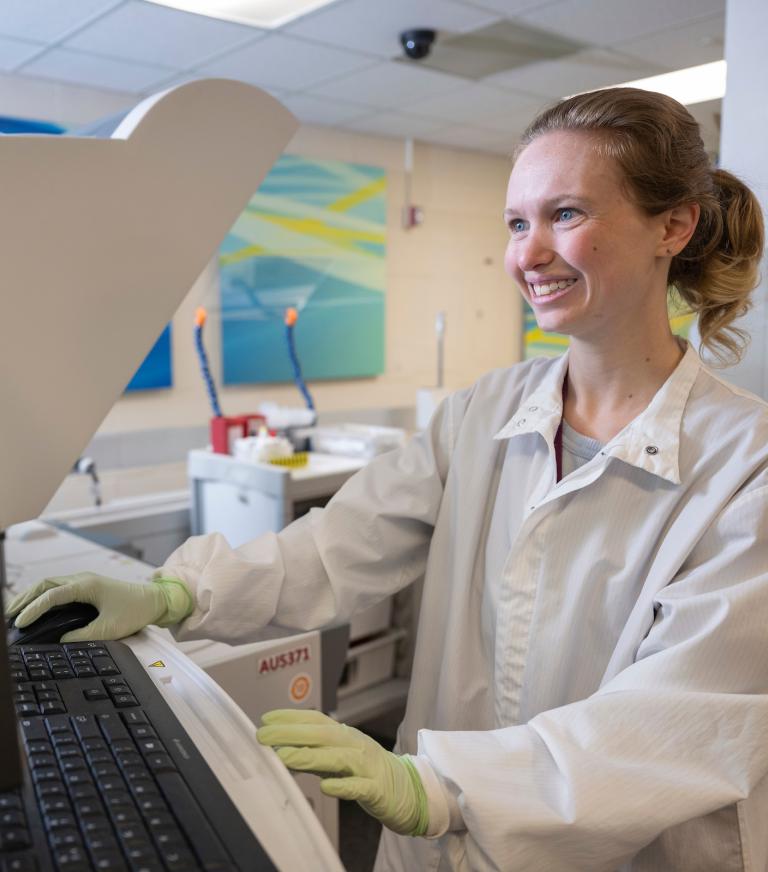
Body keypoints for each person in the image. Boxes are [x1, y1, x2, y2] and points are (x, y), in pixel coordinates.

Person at [8, 87, 768, 871]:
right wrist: (179, 596)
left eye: (565, 215)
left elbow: (678, 718)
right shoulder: (484, 411)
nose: (527, 254)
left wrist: (438, 786)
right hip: (438, 848)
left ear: (673, 226)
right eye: (516, 222)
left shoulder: (747, 465)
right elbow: (339, 545)